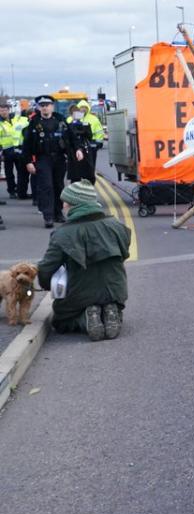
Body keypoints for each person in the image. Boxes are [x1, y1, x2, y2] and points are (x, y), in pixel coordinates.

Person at [36, 179, 131, 341]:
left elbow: (46, 268)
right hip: (116, 290)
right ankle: (112, 310)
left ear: (75, 205)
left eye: (66, 203)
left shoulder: (63, 234)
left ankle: (86, 317)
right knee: (109, 297)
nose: (63, 206)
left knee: (61, 321)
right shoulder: (116, 225)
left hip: (81, 292)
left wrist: (45, 285)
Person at [23, 95, 79, 228]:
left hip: (59, 158)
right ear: (38, 107)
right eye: (42, 105)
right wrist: (28, 161)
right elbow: (27, 144)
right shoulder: (34, 123)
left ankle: (57, 213)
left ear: (52, 106)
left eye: (47, 105)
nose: (45, 107)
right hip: (43, 158)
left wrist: (78, 149)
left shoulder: (60, 120)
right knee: (46, 186)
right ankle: (48, 216)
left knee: (59, 186)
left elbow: (72, 137)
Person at [66, 99, 105, 184]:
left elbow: (94, 134)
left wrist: (97, 143)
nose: (83, 110)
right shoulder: (69, 121)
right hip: (73, 150)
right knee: (76, 174)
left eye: (85, 108)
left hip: (89, 147)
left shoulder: (93, 119)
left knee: (89, 171)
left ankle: (88, 189)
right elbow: (67, 137)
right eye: (81, 108)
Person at [1, 102, 30, 201]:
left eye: (5, 110)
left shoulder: (16, 119)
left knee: (21, 172)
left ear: (9, 110)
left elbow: (26, 123)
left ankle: (20, 190)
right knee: (9, 173)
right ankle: (12, 191)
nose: (3, 112)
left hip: (18, 149)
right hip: (6, 150)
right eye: (1, 110)